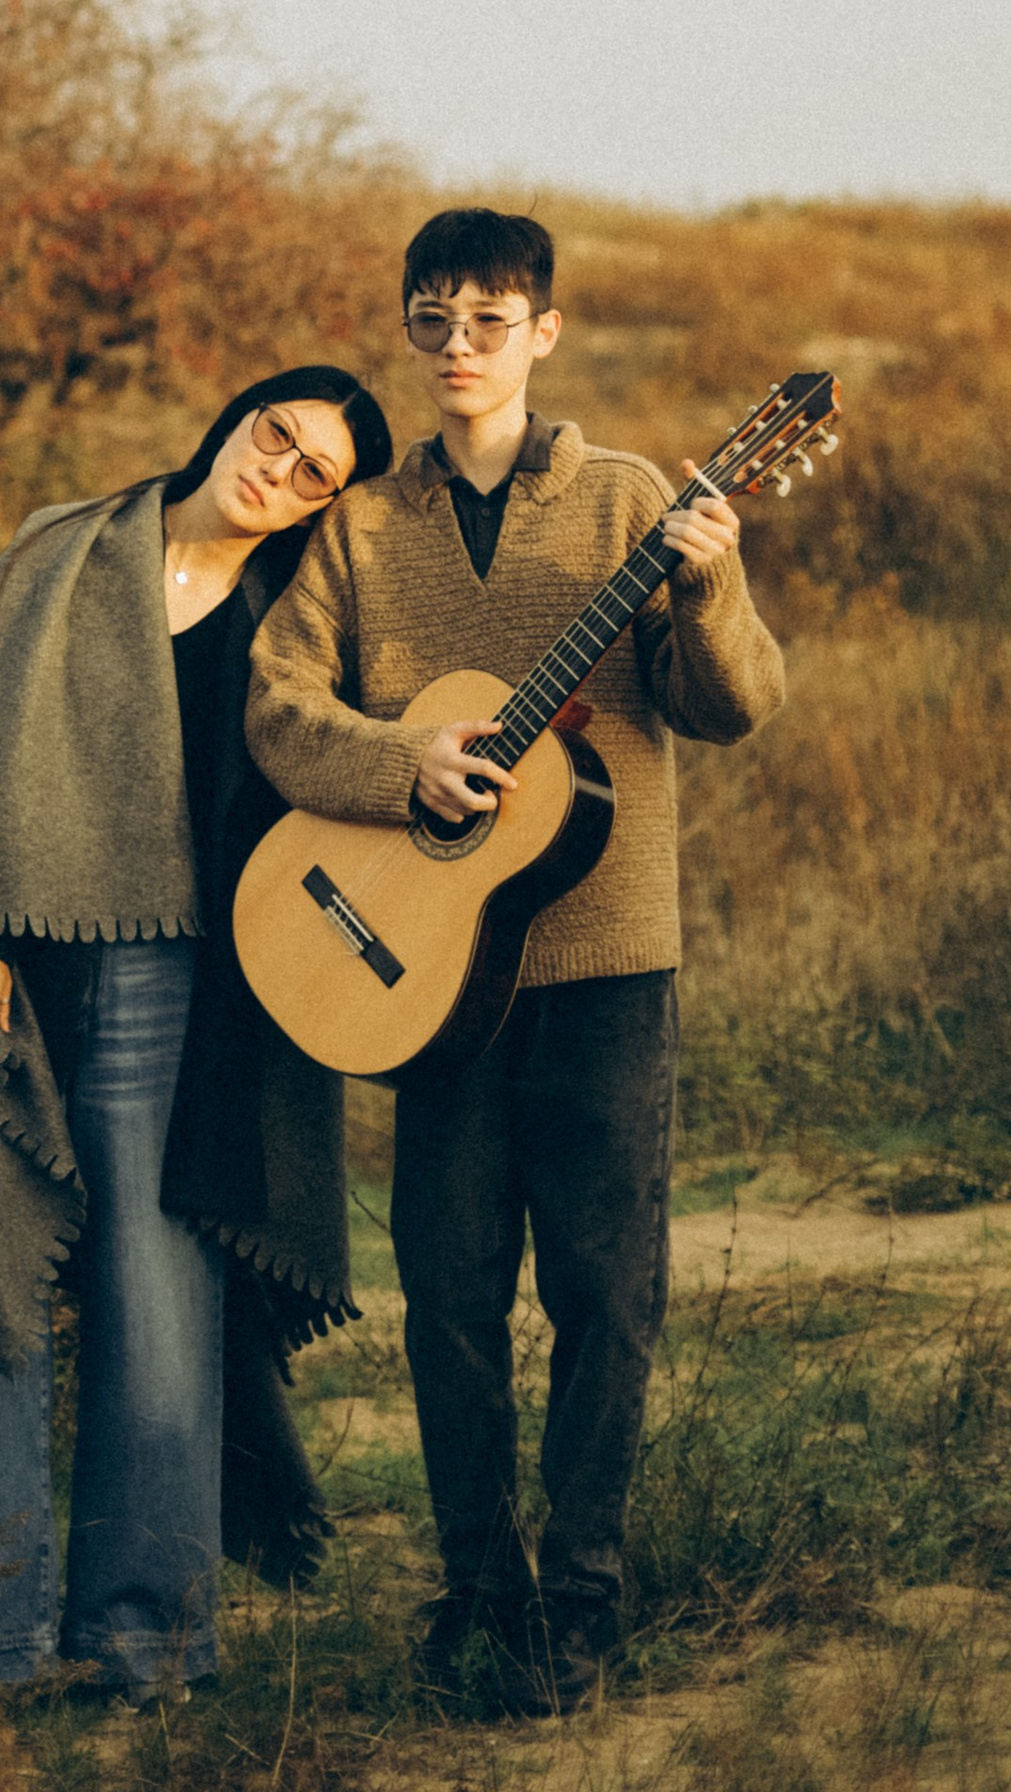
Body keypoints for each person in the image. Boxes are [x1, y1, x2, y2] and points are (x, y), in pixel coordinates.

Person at [245, 208, 786, 1713]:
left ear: (545, 332)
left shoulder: (631, 503)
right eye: (434, 320)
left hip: (609, 963)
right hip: (428, 976)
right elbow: (280, 709)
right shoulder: (357, 528)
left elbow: (727, 704)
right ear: (411, 332)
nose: (460, 347)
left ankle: (587, 1593)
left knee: (610, 1289)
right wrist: (399, 762)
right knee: (450, 1291)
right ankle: (479, 1587)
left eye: (490, 320)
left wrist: (711, 586)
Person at [0, 363, 396, 1746]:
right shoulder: (66, 550)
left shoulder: (289, 621)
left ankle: (145, 1637)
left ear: (324, 508)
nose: (277, 466)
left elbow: (321, 777)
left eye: (315, 470)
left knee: (160, 1296)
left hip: (186, 983)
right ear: (235, 418)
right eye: (274, 431)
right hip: (20, 965)